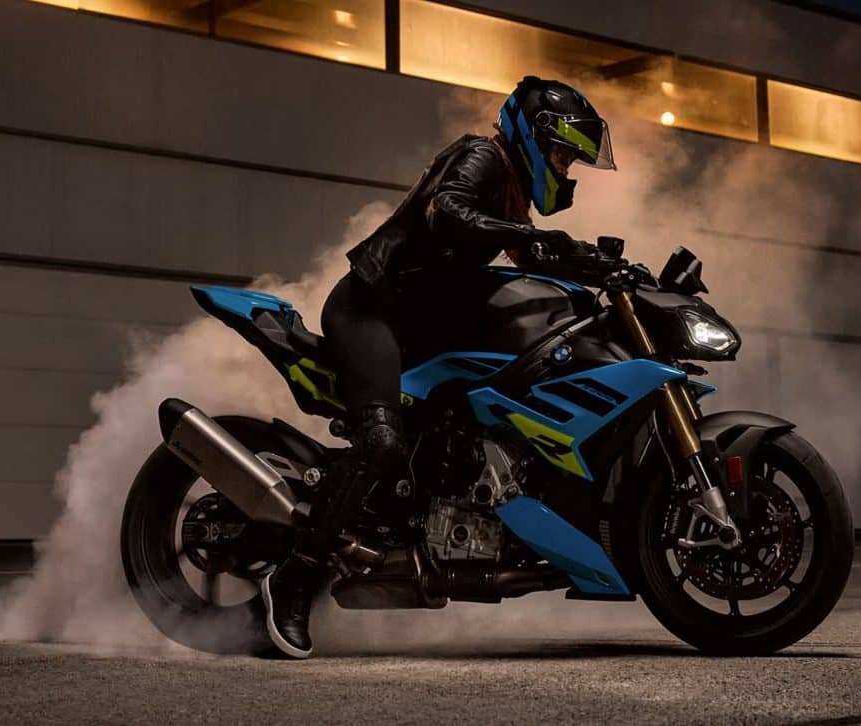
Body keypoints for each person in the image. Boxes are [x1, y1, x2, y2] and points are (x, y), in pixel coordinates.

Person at [260, 75, 616, 658]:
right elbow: (448, 211)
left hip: (419, 327)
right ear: (532, 137)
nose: (564, 168)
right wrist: (530, 235)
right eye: (560, 155)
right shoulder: (482, 157)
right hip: (372, 310)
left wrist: (605, 268)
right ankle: (293, 580)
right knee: (381, 443)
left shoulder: (512, 193)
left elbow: (536, 255)